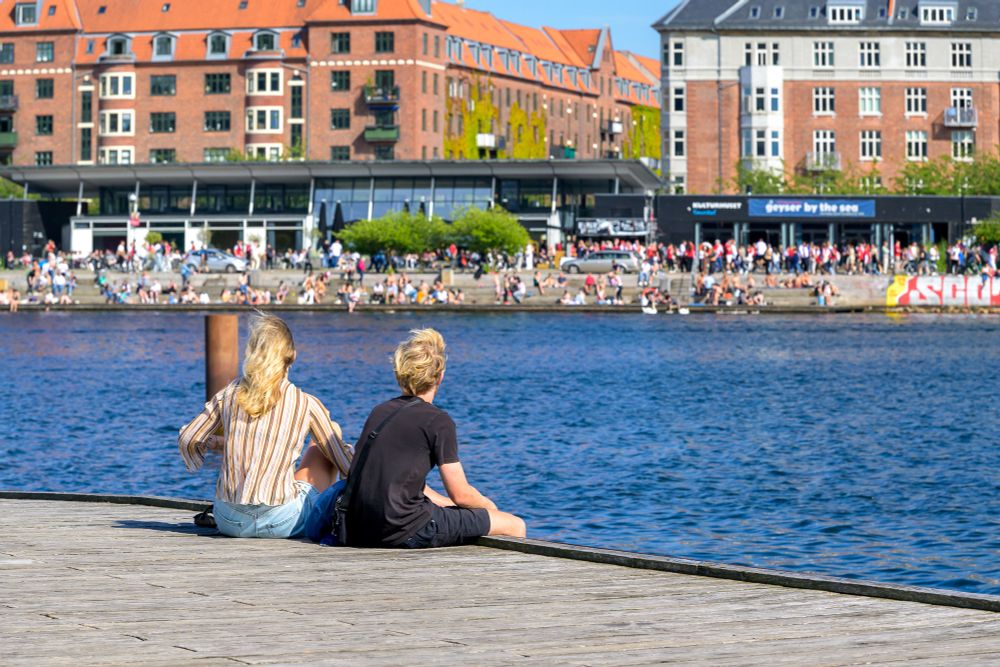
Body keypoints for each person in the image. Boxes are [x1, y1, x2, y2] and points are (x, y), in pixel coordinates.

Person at [344, 329, 526, 549]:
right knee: (514, 525)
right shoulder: (438, 421)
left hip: (359, 528)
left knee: (452, 510)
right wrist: (489, 507)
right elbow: (461, 493)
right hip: (404, 529)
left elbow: (400, 484)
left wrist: (448, 505)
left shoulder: (380, 412)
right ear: (440, 376)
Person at [178, 314, 353, 538]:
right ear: (293, 356)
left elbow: (188, 437)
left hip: (229, 520)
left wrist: (205, 451)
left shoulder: (230, 394)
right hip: (281, 521)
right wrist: (352, 454)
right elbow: (346, 466)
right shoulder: (305, 403)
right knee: (331, 435)